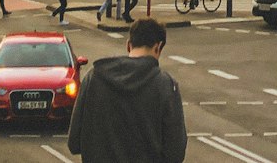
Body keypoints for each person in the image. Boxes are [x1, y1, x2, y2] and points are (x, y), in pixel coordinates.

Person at [67, 16, 187, 163]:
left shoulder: (94, 77)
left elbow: (74, 143)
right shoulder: (166, 85)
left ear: (128, 45)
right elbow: (175, 153)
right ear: (158, 47)